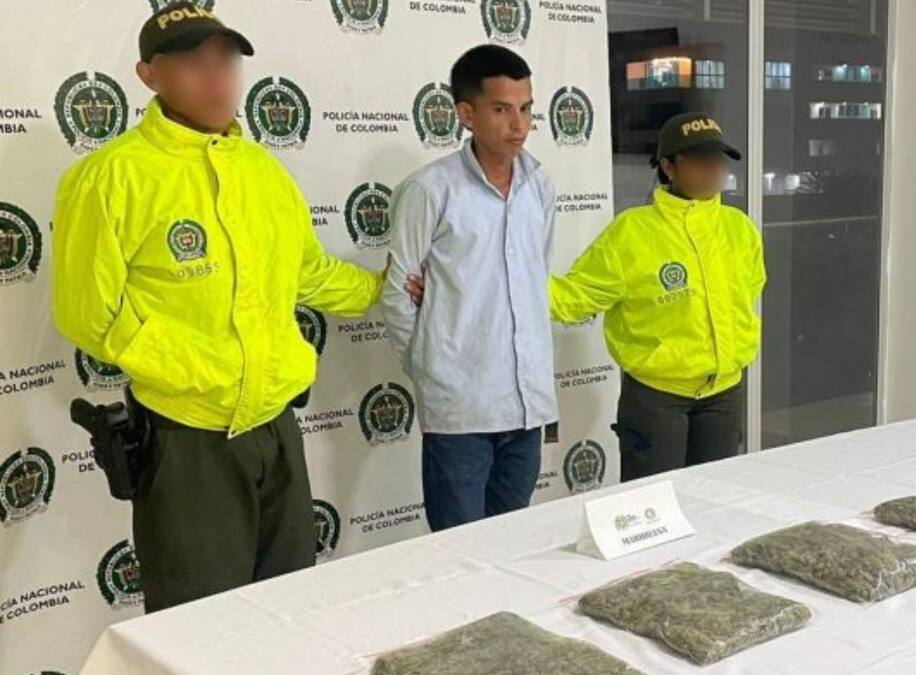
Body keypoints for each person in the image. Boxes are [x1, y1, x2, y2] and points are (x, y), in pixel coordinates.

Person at [52, 1, 385, 612]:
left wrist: (386, 289)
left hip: (276, 426)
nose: (216, 79)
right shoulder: (110, 177)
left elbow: (307, 273)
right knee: (198, 623)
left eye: (226, 61)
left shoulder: (264, 171)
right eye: (192, 62)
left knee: (289, 609)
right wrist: (198, 373)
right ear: (149, 75)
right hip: (187, 438)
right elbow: (88, 313)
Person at [406, 112, 765, 482]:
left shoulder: (740, 229)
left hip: (725, 394)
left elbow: (749, 294)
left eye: (718, 160)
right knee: (654, 500)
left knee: (715, 497)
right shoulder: (632, 232)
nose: (713, 170)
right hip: (658, 399)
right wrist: (471, 283)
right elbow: (575, 296)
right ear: (668, 167)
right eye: (700, 160)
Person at [380, 45, 557, 532]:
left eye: (526, 109)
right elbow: (398, 292)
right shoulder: (430, 189)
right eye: (501, 109)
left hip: (527, 403)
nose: (518, 125)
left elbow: (536, 277)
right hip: (461, 409)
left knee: (511, 542)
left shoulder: (540, 185)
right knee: (459, 552)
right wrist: (432, 366)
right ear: (466, 114)